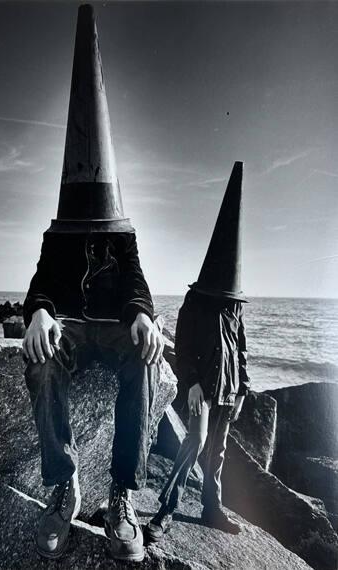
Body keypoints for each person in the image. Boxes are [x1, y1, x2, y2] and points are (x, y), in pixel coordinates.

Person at [22, 4, 163, 563]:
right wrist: (38, 313)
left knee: (145, 354)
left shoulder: (122, 236)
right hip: (75, 336)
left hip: (111, 337)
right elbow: (41, 284)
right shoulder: (57, 236)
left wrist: (144, 315)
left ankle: (122, 495)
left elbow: (137, 283)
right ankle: (64, 487)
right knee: (39, 357)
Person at [145, 161, 250, 542]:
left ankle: (211, 509)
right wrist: (189, 383)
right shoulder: (196, 300)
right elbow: (184, 347)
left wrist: (243, 388)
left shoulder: (234, 305)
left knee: (217, 452)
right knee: (196, 440)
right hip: (201, 387)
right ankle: (166, 509)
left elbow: (239, 349)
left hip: (228, 387)